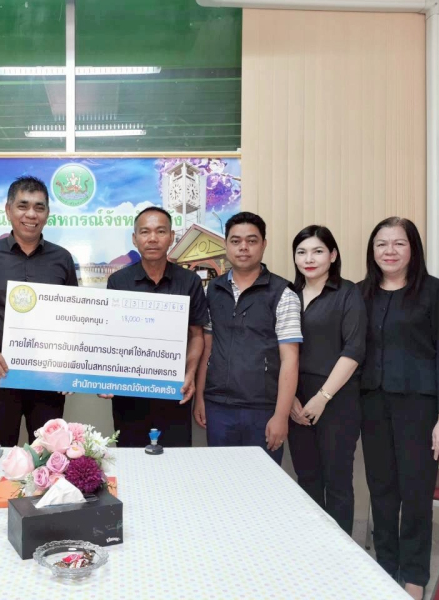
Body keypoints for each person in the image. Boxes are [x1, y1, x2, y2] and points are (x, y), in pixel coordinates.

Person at [359, 217, 439, 600]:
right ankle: (386, 569)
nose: (389, 251)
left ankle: (415, 578)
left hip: (419, 410)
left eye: (398, 243)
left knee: (416, 495)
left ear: (413, 248)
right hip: (372, 406)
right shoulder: (360, 294)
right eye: (381, 244)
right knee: (382, 493)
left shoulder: (436, 293)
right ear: (372, 250)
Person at [0, 175, 78, 446]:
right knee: (0, 455)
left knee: (49, 455)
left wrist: (70, 365)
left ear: (47, 213)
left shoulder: (62, 259)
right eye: (23, 206)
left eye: (39, 207)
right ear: (8, 210)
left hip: (48, 378)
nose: (31, 214)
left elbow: (73, 316)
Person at [194, 211, 301, 464]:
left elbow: (290, 359)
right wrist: (200, 397)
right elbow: (207, 348)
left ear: (264, 245)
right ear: (226, 245)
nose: (243, 247)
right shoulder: (212, 291)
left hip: (263, 409)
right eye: (236, 241)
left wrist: (281, 416)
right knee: (220, 479)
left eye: (252, 241)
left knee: (262, 483)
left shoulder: (282, 293)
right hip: (218, 406)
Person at [102, 206, 208, 447]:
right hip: (129, 392)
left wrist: (190, 373)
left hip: (174, 389)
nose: (152, 238)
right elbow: (109, 337)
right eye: (145, 232)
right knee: (131, 457)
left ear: (171, 237)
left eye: (160, 231)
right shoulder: (118, 282)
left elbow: (197, 335)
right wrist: (105, 378)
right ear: (135, 238)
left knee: (175, 457)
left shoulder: (189, 281)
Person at [287, 225, 366, 535]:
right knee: (307, 478)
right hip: (295, 399)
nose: (309, 259)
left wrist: (322, 397)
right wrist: (290, 399)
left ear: (332, 255)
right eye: (302, 252)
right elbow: (277, 350)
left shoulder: (348, 293)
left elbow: (354, 350)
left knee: (337, 482)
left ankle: (340, 553)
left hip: (337, 399)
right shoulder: (288, 295)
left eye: (318, 251)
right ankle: (311, 548)